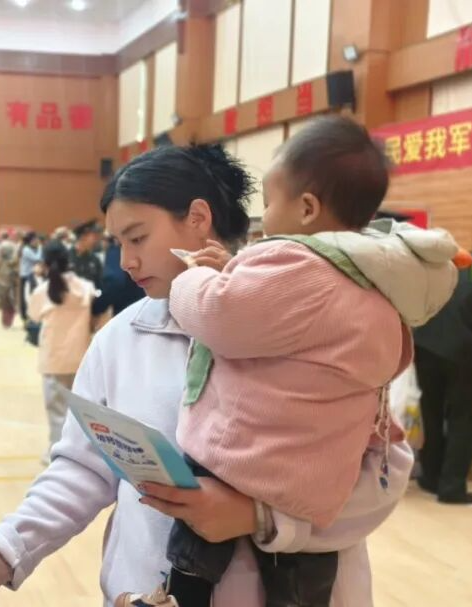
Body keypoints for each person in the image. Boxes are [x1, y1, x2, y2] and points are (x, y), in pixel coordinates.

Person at [0, 144, 414, 607]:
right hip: (149, 589)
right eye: (118, 243)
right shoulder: (122, 339)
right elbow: (82, 468)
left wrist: (260, 518)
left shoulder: (319, 320)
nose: (126, 261)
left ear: (198, 218)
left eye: (138, 237)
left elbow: (382, 475)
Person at [139, 116, 459, 607]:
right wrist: (234, 274)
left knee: (193, 552)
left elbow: (220, 314)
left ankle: (180, 593)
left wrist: (193, 280)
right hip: (317, 484)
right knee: (304, 580)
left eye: (270, 202)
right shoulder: (375, 283)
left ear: (307, 208)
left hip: (248, 460)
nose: (264, 216)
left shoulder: (296, 263)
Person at [27, 241, 97, 458]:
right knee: (78, 413)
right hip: (80, 357)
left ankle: (57, 454)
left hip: (53, 359)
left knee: (57, 412)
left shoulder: (43, 291)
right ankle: (77, 455)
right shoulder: (86, 287)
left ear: (46, 264)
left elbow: (33, 315)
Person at [413, 267, 472, 504]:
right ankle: (451, 487)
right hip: (461, 352)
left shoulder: (453, 270)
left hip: (425, 345)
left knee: (431, 412)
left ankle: (431, 476)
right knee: (463, 418)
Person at [0, 233, 19, 328]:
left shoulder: (0, 246)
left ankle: (6, 321)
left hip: (2, 273)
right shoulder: (14, 246)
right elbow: (16, 259)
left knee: (4, 297)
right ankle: (10, 317)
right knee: (12, 296)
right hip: (13, 273)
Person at [70, 219, 104, 290]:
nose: (97, 241)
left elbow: (100, 284)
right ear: (83, 236)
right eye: (95, 237)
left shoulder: (95, 259)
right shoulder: (66, 257)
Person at [18, 231, 42, 321]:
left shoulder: (31, 249)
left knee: (29, 296)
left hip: (30, 275)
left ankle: (29, 315)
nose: (37, 241)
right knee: (27, 297)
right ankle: (25, 316)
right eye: (36, 239)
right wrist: (40, 248)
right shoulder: (26, 249)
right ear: (31, 241)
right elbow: (37, 259)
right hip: (26, 275)